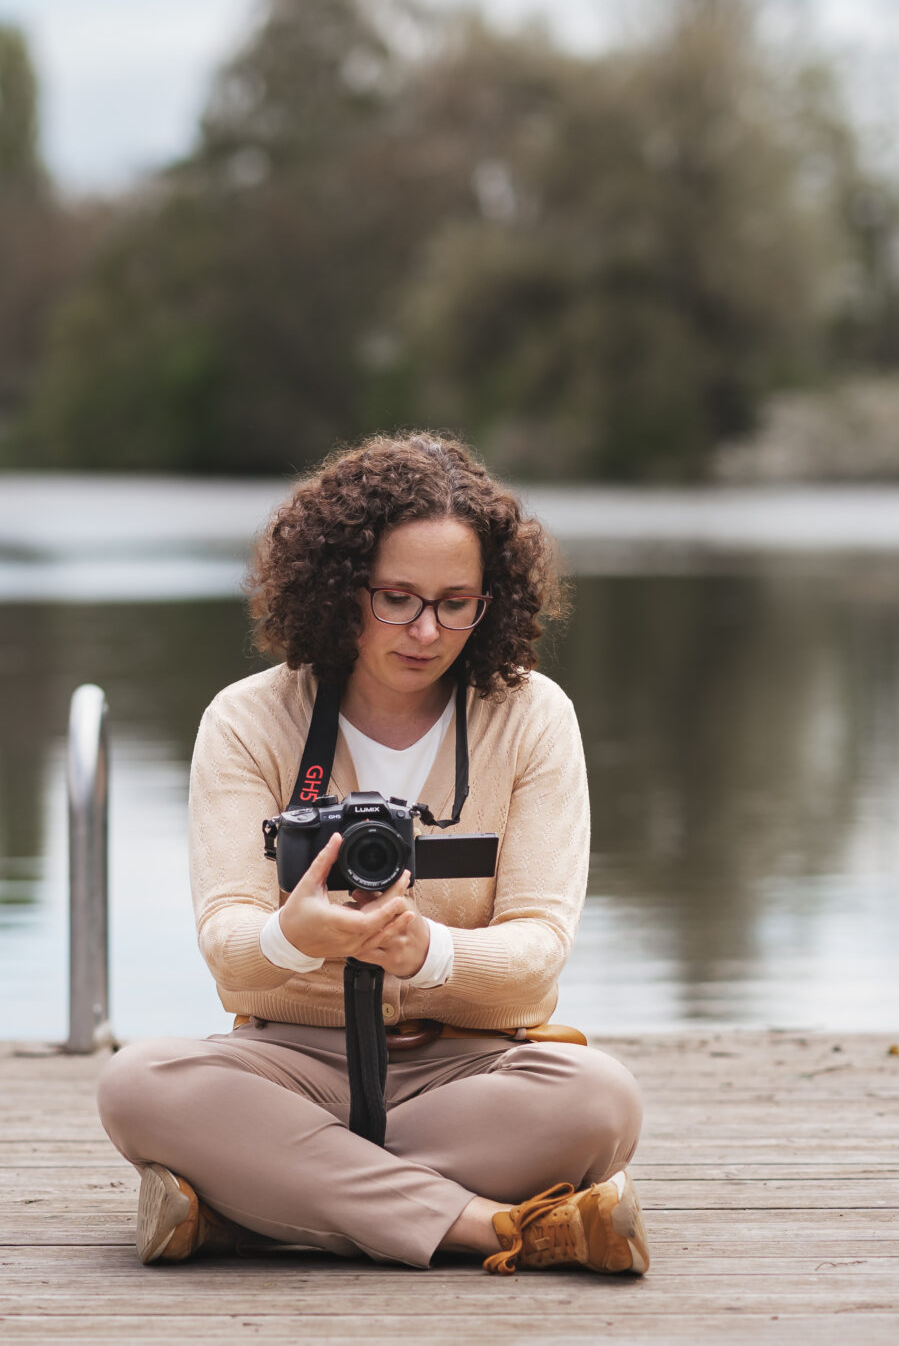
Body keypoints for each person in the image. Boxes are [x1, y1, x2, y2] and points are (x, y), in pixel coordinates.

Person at [94, 433, 647, 1276]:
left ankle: (248, 1207)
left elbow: (538, 958)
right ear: (340, 585)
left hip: (467, 1063)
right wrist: (294, 936)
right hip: (289, 1060)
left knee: (601, 1101)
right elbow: (229, 951)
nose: (426, 630)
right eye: (397, 598)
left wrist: (431, 953)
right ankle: (495, 1226)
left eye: (456, 602)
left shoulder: (532, 716)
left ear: (489, 602)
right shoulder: (248, 719)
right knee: (137, 1084)